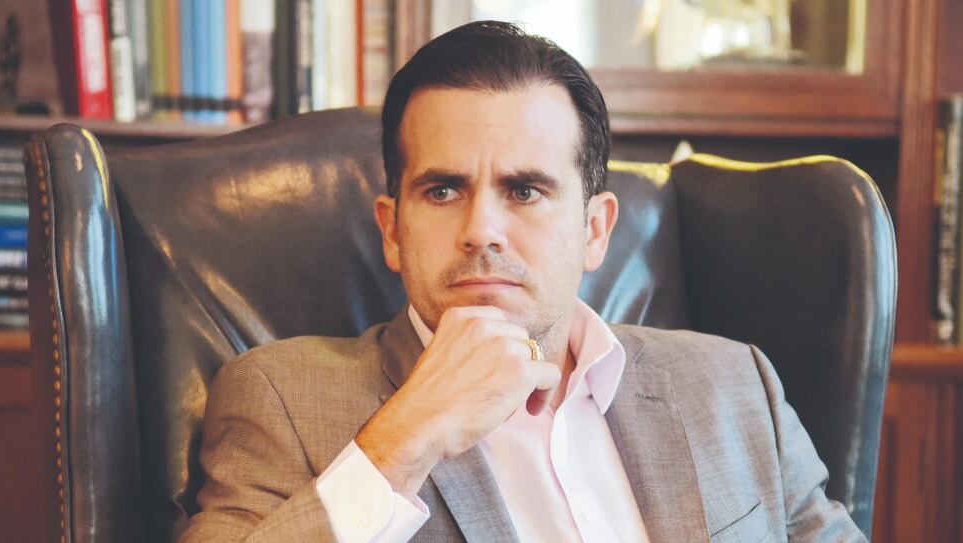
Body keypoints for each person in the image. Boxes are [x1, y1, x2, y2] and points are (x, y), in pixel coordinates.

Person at [181, 20, 866, 543]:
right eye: (443, 190)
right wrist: (404, 437)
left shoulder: (736, 385)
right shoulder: (280, 399)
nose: (482, 229)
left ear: (595, 229)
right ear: (392, 230)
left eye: (525, 190)